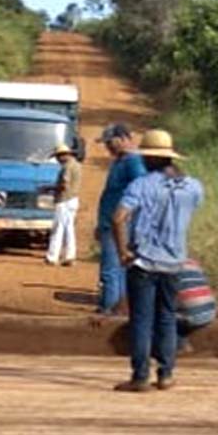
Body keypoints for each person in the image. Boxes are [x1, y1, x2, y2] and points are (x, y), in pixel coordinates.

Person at [111, 129, 204, 392]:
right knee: (166, 317)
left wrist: (122, 253)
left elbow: (118, 218)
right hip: (174, 262)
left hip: (144, 261)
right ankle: (166, 374)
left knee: (141, 319)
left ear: (150, 158)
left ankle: (140, 377)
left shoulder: (141, 185)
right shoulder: (193, 186)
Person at [95, 123, 146, 314]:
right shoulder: (120, 161)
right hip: (110, 222)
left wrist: (126, 217)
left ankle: (108, 308)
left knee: (111, 269)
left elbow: (140, 188)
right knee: (118, 269)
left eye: (110, 142)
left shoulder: (133, 162)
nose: (107, 146)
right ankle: (116, 308)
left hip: (120, 223)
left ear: (124, 139)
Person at [42, 143, 82, 266]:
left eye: (59, 156)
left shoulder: (67, 167)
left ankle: (52, 257)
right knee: (69, 229)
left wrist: (49, 188)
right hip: (73, 199)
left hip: (64, 200)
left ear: (64, 155)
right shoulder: (77, 165)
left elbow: (64, 185)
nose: (58, 159)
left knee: (57, 229)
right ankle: (70, 256)